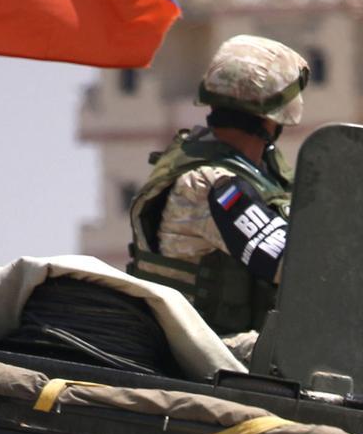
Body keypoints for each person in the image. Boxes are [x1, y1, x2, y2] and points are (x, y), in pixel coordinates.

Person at [127, 35, 308, 336]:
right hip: (202, 349)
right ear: (274, 118)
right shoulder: (209, 183)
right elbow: (290, 263)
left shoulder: (260, 169)